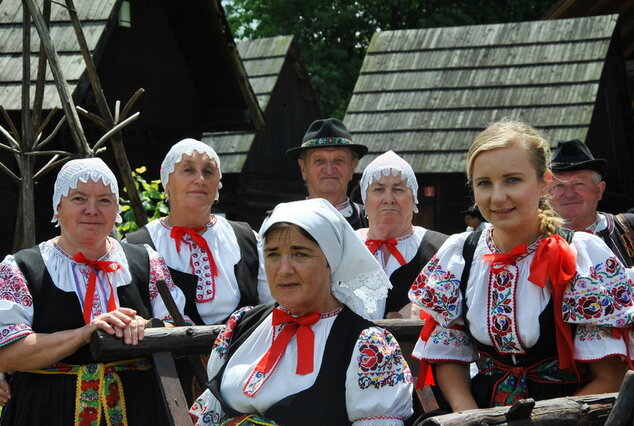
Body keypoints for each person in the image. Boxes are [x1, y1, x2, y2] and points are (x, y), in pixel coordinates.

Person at [408, 119, 633, 413]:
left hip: (570, 414)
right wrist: (470, 414)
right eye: (484, 183)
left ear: (544, 184)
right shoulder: (461, 254)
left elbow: (611, 377)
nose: (498, 197)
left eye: (513, 180)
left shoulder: (580, 256)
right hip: (481, 411)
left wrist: (537, 419)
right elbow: (450, 352)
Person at [189, 198, 413, 425]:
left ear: (330, 261)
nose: (284, 269)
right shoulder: (242, 325)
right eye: (273, 254)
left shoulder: (366, 346)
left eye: (300, 254)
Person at [0, 158, 188, 425]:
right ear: (58, 207)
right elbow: (7, 353)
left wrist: (147, 326)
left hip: (140, 409)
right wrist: (83, 334)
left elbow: (181, 331)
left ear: (116, 209)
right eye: (79, 199)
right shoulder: (22, 268)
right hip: (47, 411)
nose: (92, 210)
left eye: (104, 200)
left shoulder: (145, 261)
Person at [125, 138, 272, 326]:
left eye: (208, 171)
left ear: (217, 183)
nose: (200, 179)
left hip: (245, 352)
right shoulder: (136, 246)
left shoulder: (247, 238)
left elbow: (272, 308)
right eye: (188, 170)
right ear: (167, 181)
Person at [356, 150, 448, 319]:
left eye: (398, 189)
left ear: (413, 198)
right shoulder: (347, 247)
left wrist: (424, 311)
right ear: (365, 198)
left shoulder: (441, 249)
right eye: (379, 189)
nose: (389, 199)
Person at [551, 139, 634, 268]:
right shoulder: (535, 243)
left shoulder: (629, 228)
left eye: (578, 184)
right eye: (559, 185)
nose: (569, 194)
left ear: (599, 190)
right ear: (547, 193)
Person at [287, 118, 369, 229]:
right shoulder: (285, 221)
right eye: (319, 160)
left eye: (339, 160)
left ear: (352, 167)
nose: (329, 170)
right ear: (303, 168)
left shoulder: (372, 220)